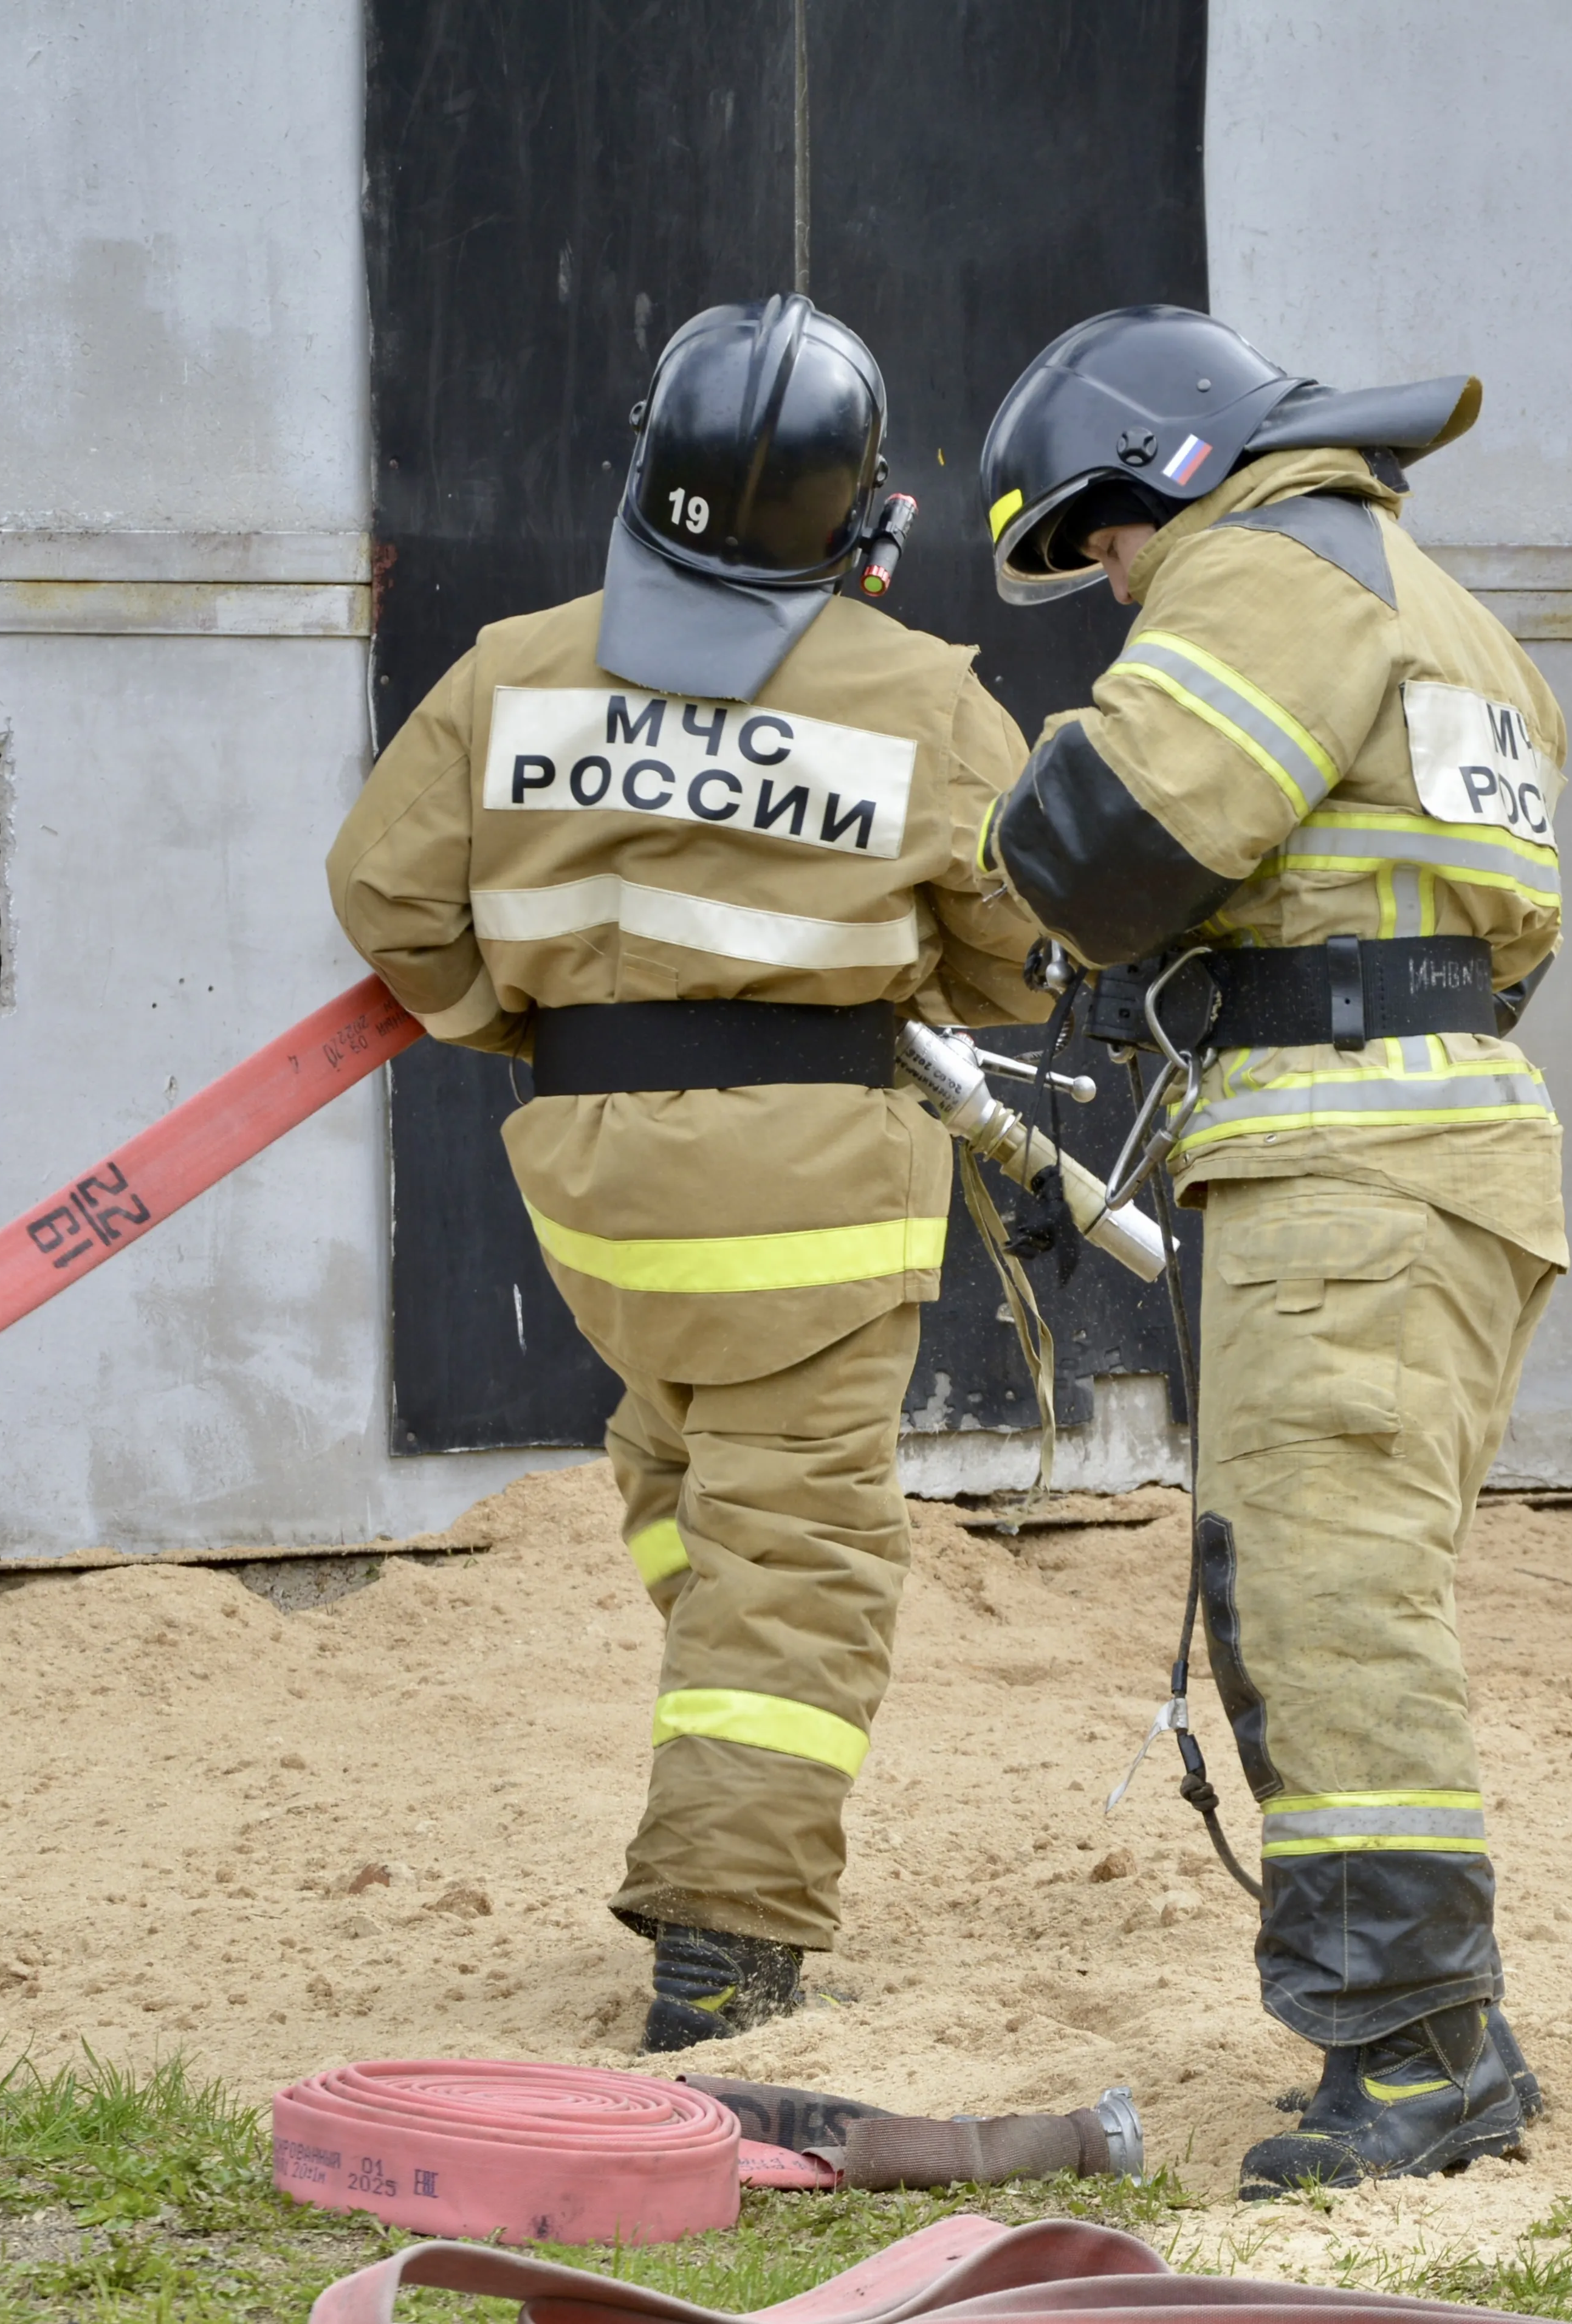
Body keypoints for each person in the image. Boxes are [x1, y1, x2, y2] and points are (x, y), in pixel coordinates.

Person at [328, 294, 1046, 2049]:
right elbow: (1027, 947)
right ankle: (727, 1945)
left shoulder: (514, 667)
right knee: (799, 1566)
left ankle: (729, 1704)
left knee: (682, 1473)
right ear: (861, 513)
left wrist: (551, 1032)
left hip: (598, 1199)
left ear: (646, 471)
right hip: (812, 1196)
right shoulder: (921, 702)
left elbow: (387, 896)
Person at [973, 307, 1567, 2196]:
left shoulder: (1261, 565)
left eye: (1103, 536)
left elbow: (1112, 834)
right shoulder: (1437, 600)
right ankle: (1444, 2027)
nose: (1112, 578)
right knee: (1355, 1579)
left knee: (1321, 1596)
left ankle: (1414, 2053)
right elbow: (1506, 929)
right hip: (1438, 1133)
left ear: (1171, 467)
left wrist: (1015, 840)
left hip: (1347, 1153)